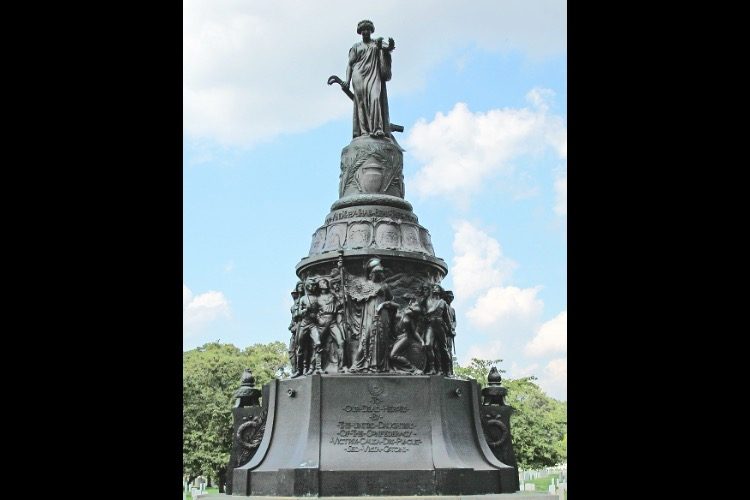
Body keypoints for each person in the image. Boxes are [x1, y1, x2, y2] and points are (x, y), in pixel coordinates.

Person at [343, 20, 395, 139]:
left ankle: (377, 129)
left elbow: (388, 49)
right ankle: (364, 131)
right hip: (358, 75)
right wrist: (347, 80)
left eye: (367, 29)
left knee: (375, 98)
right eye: (363, 30)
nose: (365, 32)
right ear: (360, 32)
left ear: (371, 31)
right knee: (361, 103)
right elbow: (350, 64)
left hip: (374, 75)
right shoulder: (356, 47)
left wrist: (390, 46)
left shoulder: (377, 43)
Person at [351, 257, 398, 372]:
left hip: (382, 315)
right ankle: (363, 364)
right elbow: (356, 299)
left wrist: (384, 305)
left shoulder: (384, 286)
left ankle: (379, 366)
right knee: (366, 337)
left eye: (380, 272)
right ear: (371, 273)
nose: (378, 274)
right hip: (368, 315)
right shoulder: (365, 286)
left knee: (381, 338)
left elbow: (393, 302)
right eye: (376, 272)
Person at [317, 279, 348, 372]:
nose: (325, 283)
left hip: (333, 321)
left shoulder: (332, 296)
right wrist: (319, 319)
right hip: (323, 321)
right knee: (317, 343)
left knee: (341, 342)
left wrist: (343, 296)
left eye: (326, 282)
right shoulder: (317, 298)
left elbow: (341, 304)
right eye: (322, 282)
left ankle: (341, 367)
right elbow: (313, 312)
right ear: (319, 286)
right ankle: (316, 367)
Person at [389, 300, 425, 374]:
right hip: (395, 337)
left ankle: (413, 369)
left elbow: (414, 332)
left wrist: (421, 341)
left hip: (405, 337)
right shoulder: (400, 312)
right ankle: (395, 369)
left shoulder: (410, 318)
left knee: (393, 355)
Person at [423, 284, 452, 375]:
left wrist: (450, 329)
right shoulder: (427, 300)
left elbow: (447, 318)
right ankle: (432, 368)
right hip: (430, 325)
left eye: (437, 288)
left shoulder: (442, 302)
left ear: (440, 291)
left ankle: (446, 369)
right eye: (434, 288)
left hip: (439, 325)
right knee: (428, 345)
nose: (435, 289)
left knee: (442, 348)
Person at [288, 281, 305, 377]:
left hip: (303, 327)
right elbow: (293, 319)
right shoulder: (293, 306)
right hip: (295, 330)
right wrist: (291, 326)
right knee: (291, 351)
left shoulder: (305, 300)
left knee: (301, 350)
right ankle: (294, 370)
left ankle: (301, 370)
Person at [443, 290, 457, 376]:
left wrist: (453, 328)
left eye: (452, 297)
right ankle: (446, 369)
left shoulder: (452, 310)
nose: (450, 299)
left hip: (450, 332)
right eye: (449, 297)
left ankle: (450, 370)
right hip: (444, 330)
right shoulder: (444, 306)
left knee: (449, 350)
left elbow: (455, 321)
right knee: (445, 350)